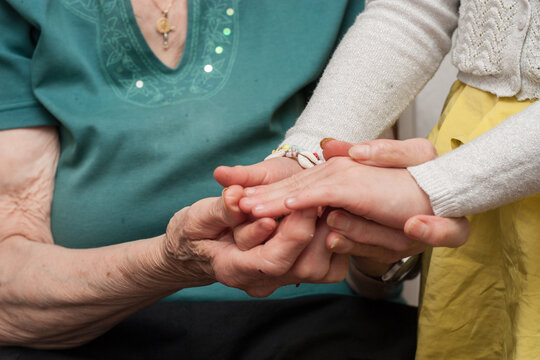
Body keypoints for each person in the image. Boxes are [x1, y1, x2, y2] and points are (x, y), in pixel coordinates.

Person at [0, 1, 471, 358]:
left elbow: (371, 264)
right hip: (86, 330)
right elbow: (10, 288)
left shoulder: (362, 20)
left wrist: (380, 250)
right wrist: (169, 260)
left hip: (311, 327)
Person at [233, 0, 540, 358]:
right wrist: (308, 155)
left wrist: (434, 184)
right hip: (471, 153)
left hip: (479, 172)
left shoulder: (438, 184)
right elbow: (414, 11)